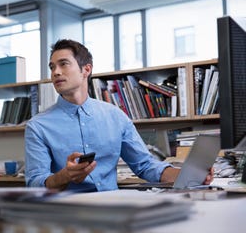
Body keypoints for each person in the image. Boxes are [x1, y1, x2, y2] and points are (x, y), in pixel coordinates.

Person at [24, 39, 213, 192]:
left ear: (86, 70)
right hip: (67, 216)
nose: (55, 72)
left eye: (63, 64)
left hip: (112, 210)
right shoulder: (38, 126)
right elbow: (34, 182)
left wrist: (188, 175)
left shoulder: (116, 116)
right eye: (52, 67)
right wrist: (64, 176)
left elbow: (145, 166)